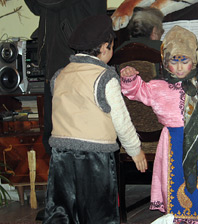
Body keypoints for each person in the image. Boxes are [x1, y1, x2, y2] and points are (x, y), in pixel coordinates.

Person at [120, 25, 198, 224]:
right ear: (165, 61)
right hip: (172, 139)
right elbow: (137, 92)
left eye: (185, 61)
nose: (179, 67)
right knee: (175, 175)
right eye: (174, 61)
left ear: (193, 60)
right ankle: (180, 212)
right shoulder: (158, 86)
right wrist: (130, 78)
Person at [43, 14, 147, 223]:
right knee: (99, 210)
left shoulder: (59, 75)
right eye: (111, 46)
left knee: (63, 209)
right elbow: (121, 121)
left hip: (61, 155)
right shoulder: (106, 77)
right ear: (104, 47)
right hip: (94, 156)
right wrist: (135, 150)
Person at [11, 0, 108, 155]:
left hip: (77, 66)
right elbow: (41, 5)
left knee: (79, 141)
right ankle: (63, 186)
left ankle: (86, 187)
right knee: (56, 139)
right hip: (58, 63)